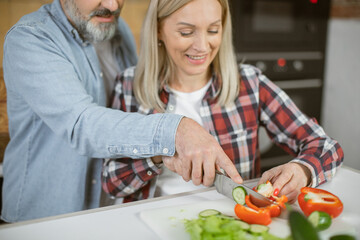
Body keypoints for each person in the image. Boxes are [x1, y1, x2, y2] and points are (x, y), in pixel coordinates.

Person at [2, 0, 241, 222]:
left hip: (106, 214)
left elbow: (133, 107)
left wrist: (161, 154)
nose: (112, 5)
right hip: (44, 220)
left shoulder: (115, 28)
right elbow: (81, 124)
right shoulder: (31, 38)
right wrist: (176, 130)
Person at [102, 0, 344, 204]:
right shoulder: (129, 86)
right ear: (158, 29)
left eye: (213, 30)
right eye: (186, 32)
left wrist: (302, 170)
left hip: (232, 220)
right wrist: (158, 155)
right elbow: (112, 182)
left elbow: (326, 146)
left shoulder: (250, 83)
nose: (202, 46)